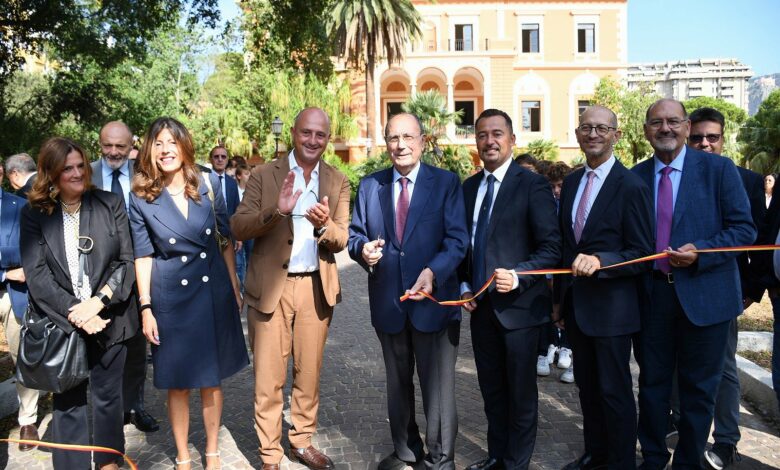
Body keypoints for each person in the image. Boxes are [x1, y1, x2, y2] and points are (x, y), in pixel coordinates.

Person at [631, 99, 755, 469]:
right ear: (646, 131)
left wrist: (702, 251)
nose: (664, 128)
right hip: (653, 296)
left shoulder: (719, 170)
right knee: (652, 386)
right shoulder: (634, 177)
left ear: (686, 127)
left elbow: (744, 230)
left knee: (700, 391)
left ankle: (688, 463)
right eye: (656, 122)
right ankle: (653, 458)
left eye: (673, 121)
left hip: (707, 296)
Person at [231, 107, 350, 470]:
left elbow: (341, 237)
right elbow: (238, 226)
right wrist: (277, 211)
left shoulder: (338, 180)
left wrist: (323, 226)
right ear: (295, 132)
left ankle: (301, 440)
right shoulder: (265, 175)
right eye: (307, 133)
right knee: (268, 377)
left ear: (327, 138)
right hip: (271, 290)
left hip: (316, 288)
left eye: (321, 135)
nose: (313, 140)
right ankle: (269, 454)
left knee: (308, 375)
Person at [348, 112, 469, 470]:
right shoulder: (371, 186)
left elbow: (458, 240)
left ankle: (441, 458)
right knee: (398, 385)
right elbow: (356, 234)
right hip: (389, 304)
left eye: (407, 137)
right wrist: (362, 251)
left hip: (434, 302)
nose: (400, 145)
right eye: (392, 138)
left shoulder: (446, 183)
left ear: (422, 141)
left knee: (438, 390)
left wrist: (433, 271)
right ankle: (406, 451)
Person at [128, 117, 248, 470]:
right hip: (170, 302)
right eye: (158, 144)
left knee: (211, 382)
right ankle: (182, 457)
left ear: (184, 146)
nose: (166, 150)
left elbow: (224, 241)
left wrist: (234, 285)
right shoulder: (141, 198)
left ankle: (211, 453)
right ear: (150, 150)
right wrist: (146, 307)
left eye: (172, 142)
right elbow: (143, 256)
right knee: (177, 385)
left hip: (212, 294)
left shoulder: (208, 185)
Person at [20, 137, 140, 470]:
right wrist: (78, 312)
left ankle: (108, 464)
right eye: (67, 168)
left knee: (107, 400)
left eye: (80, 166)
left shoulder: (110, 203)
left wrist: (98, 303)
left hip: (110, 320)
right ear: (51, 173)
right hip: (63, 325)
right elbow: (38, 275)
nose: (76, 174)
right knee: (68, 404)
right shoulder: (34, 214)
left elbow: (125, 262)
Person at [455, 109, 560, 470]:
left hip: (520, 310)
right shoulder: (468, 188)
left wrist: (519, 276)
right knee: (492, 393)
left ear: (512, 140)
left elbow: (550, 248)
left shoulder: (532, 185)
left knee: (520, 394)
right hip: (481, 311)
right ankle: (497, 455)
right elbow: (463, 246)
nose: (489, 141)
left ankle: (516, 462)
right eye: (482, 134)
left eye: (497, 133)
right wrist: (466, 284)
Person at [557, 106, 653, 470]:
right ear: (578, 133)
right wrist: (559, 302)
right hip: (577, 308)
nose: (593, 133)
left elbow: (644, 252)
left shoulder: (632, 186)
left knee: (614, 393)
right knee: (587, 390)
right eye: (586, 127)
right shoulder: (570, 183)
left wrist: (602, 261)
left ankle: (621, 462)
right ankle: (595, 455)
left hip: (613, 310)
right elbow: (568, 248)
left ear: (616, 134)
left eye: (601, 127)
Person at [684, 107, 765, 469]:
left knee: (724, 370)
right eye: (697, 137)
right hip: (677, 289)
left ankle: (727, 441)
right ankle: (683, 430)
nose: (704, 143)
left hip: (723, 291)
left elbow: (756, 239)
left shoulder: (746, 179)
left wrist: (752, 290)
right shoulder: (673, 173)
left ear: (723, 138)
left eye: (711, 137)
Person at [92, 120, 159, 433]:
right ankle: (106, 409)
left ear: (132, 144)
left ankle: (135, 406)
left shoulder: (144, 176)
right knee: (99, 347)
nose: (114, 152)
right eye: (108, 146)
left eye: (121, 146)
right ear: (100, 143)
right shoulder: (85, 174)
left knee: (135, 349)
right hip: (94, 279)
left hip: (135, 277)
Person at [0, 160, 40, 451]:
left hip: (13, 295)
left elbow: (26, 252)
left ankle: (28, 419)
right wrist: (4, 269)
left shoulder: (19, 207)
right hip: (7, 279)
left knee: (21, 355)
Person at [536, 161, 574, 383]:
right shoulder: (546, 207)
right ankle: (546, 348)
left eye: (560, 186)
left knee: (569, 310)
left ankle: (567, 349)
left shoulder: (572, 205)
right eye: (553, 186)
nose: (556, 191)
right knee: (548, 311)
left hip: (568, 271)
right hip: (549, 270)